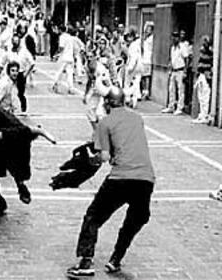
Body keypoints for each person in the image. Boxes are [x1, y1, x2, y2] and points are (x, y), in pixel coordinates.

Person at [67, 87, 155, 277]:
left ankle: (85, 262)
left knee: (93, 216)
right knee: (135, 220)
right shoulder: (137, 118)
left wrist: (90, 160)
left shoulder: (105, 123)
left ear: (107, 103)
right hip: (146, 178)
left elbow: (104, 156)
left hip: (121, 178)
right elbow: (128, 142)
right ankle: (115, 260)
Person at [0, 34, 34, 113]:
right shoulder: (9, 51)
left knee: (20, 93)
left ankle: (23, 108)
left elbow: (32, 63)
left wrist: (26, 73)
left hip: (21, 73)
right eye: (14, 41)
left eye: (17, 41)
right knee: (8, 91)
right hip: (10, 74)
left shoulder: (24, 51)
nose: (15, 42)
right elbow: (1, 63)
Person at [162, 31, 189, 115]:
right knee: (171, 89)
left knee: (180, 90)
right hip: (173, 70)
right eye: (173, 37)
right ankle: (171, 106)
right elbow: (171, 59)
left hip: (180, 70)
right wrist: (169, 67)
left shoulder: (182, 47)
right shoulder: (172, 48)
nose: (174, 38)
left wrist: (185, 71)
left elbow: (187, 59)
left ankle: (180, 107)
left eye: (176, 37)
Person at [52, 25, 75, 94]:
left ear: (60, 30)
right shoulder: (70, 37)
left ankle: (55, 85)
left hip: (63, 57)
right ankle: (71, 88)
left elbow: (61, 47)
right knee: (69, 74)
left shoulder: (62, 37)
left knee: (59, 72)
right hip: (70, 57)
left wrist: (56, 54)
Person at [141, 22, 154, 100]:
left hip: (148, 59)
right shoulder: (146, 38)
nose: (147, 31)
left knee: (147, 76)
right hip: (143, 59)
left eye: (149, 29)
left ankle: (147, 92)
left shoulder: (152, 38)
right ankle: (143, 91)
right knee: (143, 76)